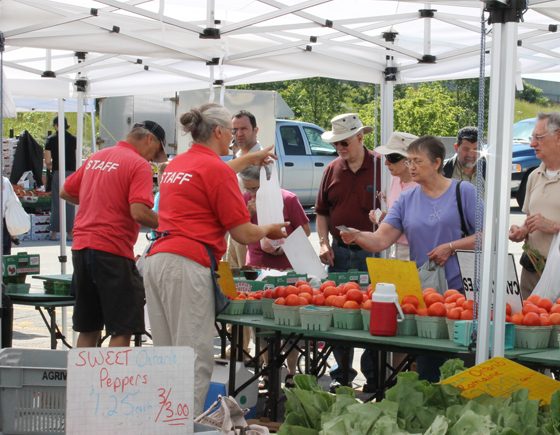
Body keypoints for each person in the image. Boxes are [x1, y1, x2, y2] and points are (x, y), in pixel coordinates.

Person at [142, 103, 287, 416]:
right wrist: (269, 228)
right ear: (219, 131)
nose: (232, 141)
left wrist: (249, 158)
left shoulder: (178, 164)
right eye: (229, 135)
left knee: (166, 357)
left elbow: (212, 171)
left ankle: (162, 422)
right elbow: (244, 233)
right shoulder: (215, 170)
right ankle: (185, 424)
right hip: (187, 263)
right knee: (194, 358)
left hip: (156, 260)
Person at [340, 135, 478, 382]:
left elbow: (489, 237)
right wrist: (357, 235)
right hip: (426, 296)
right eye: (409, 161)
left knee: (460, 369)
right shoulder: (406, 199)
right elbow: (381, 239)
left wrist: (451, 247)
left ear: (436, 163)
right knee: (428, 368)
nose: (411, 166)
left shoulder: (463, 191)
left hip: (461, 294)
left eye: (417, 161)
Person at [60, 120, 167, 349]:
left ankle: (82, 384)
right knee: (122, 327)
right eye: (155, 151)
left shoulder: (97, 156)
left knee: (88, 327)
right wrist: (171, 224)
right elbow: (138, 212)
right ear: (150, 139)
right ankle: (112, 384)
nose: (152, 158)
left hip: (82, 248)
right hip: (112, 250)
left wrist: (97, 200)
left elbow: (66, 191)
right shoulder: (138, 165)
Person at [315, 113, 381, 392]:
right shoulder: (332, 169)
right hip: (340, 253)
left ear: (360, 138)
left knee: (372, 315)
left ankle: (373, 377)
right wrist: (323, 243)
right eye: (337, 144)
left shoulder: (380, 166)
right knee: (337, 314)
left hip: (372, 253)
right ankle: (342, 374)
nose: (341, 148)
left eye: (345, 142)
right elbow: (321, 212)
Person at [239, 164, 310, 387]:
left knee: (288, 323)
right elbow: (239, 233)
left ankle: (290, 372)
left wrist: (284, 244)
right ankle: (269, 371)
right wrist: (248, 212)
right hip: (258, 266)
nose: (253, 193)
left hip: (286, 268)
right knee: (260, 325)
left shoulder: (288, 199)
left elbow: (305, 231)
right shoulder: (245, 200)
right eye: (249, 188)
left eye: (257, 188)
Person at [509, 112, 560, 300]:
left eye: (538, 138)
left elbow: (550, 224)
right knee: (526, 326)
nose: (532, 144)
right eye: (532, 138)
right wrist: (522, 230)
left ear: (558, 137)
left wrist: (555, 227)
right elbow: (530, 218)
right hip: (531, 272)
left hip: (556, 277)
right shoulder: (534, 176)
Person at [370, 132, 418, 260]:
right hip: (395, 246)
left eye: (392, 157)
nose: (386, 163)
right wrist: (385, 217)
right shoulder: (395, 179)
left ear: (409, 159)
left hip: (415, 250)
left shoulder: (422, 187)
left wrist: (388, 220)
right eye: (386, 157)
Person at [226, 110, 262, 269]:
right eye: (235, 130)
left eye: (244, 129)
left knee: (250, 284)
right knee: (234, 283)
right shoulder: (237, 155)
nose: (238, 134)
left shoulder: (264, 159)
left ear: (256, 130)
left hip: (253, 232)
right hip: (233, 230)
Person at [44, 116, 77, 241]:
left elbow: (47, 161)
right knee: (70, 203)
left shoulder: (50, 139)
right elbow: (77, 156)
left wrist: (53, 166)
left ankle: (53, 232)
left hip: (58, 172)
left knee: (56, 202)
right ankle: (70, 232)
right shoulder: (74, 139)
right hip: (72, 173)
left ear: (56, 125)